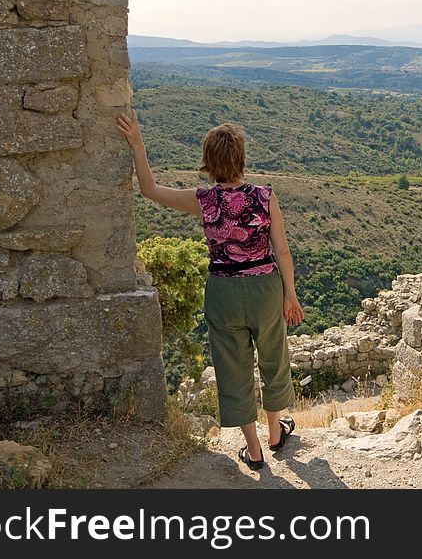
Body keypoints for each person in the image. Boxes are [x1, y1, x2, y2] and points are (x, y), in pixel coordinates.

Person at [116, 109, 303, 470]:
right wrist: (290, 295)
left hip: (223, 290)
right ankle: (276, 433)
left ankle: (254, 450)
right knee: (273, 357)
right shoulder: (265, 197)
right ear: (242, 160)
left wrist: (138, 144)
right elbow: (282, 250)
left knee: (233, 367)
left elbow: (150, 189)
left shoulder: (202, 201)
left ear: (208, 163)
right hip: (265, 287)